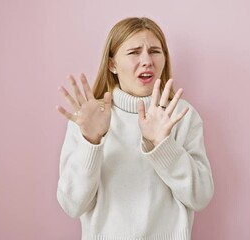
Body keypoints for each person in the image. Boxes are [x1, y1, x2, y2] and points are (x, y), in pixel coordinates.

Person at [56, 17, 214, 240]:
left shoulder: (181, 115)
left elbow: (200, 197)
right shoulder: (89, 118)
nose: (147, 60)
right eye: (134, 52)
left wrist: (163, 145)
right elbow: (73, 205)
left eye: (155, 51)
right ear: (112, 64)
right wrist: (90, 141)